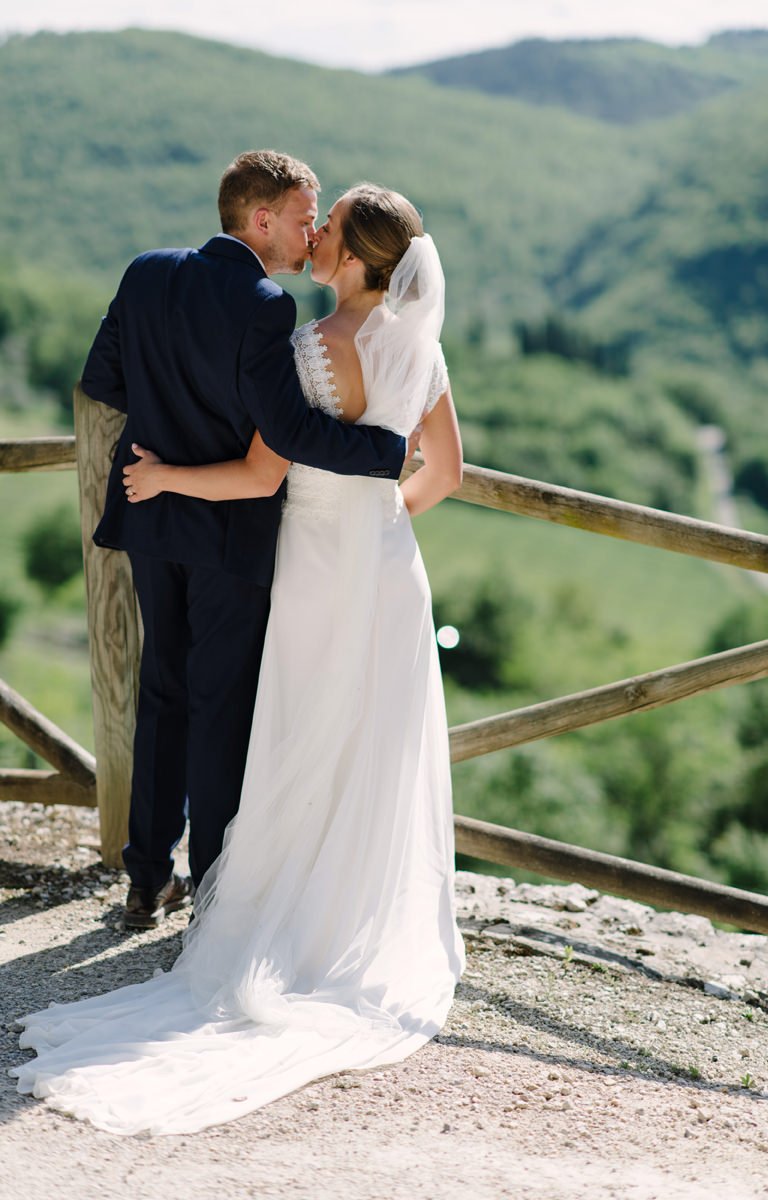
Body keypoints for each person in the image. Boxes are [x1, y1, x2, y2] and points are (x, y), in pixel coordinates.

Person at [11, 183, 465, 1135]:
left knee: (258, 718)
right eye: (309, 216)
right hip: (383, 564)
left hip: (278, 549)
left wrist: (167, 461)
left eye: (328, 225)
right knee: (363, 739)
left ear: (350, 255)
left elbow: (238, 451)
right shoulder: (413, 347)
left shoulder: (290, 332)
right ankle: (325, 917)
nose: (315, 232)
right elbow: (445, 474)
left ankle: (185, 883)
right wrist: (382, 519)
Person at [77, 151, 406, 929]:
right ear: (261, 220)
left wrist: (167, 425)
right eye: (301, 217)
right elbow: (288, 431)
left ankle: (144, 878)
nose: (311, 232)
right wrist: (388, 454)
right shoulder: (264, 304)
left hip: (152, 512)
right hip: (228, 530)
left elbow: (103, 377)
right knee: (220, 702)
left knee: (161, 690)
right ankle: (214, 890)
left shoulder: (146, 271)